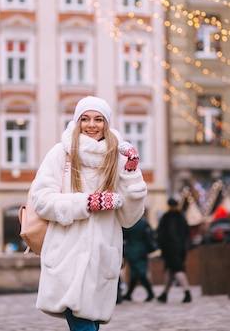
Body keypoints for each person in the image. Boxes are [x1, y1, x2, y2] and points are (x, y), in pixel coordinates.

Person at [30, 96, 147, 331]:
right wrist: (87, 202)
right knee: (83, 325)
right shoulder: (60, 153)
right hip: (67, 255)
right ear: (76, 122)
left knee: (90, 324)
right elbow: (41, 201)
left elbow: (129, 217)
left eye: (98, 119)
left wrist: (131, 171)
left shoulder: (117, 158)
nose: (91, 125)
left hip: (103, 256)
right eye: (84, 119)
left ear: (106, 123)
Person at [156, 198, 192, 303]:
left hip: (171, 249)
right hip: (181, 248)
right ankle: (164, 294)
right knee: (169, 270)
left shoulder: (167, 218)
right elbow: (187, 232)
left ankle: (187, 292)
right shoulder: (181, 217)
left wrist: (162, 245)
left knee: (177, 269)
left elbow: (163, 234)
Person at [122, 216, 156, 302]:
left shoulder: (129, 222)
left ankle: (149, 293)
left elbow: (123, 234)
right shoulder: (144, 222)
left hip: (132, 249)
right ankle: (130, 294)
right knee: (136, 272)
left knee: (139, 272)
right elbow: (151, 234)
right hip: (142, 249)